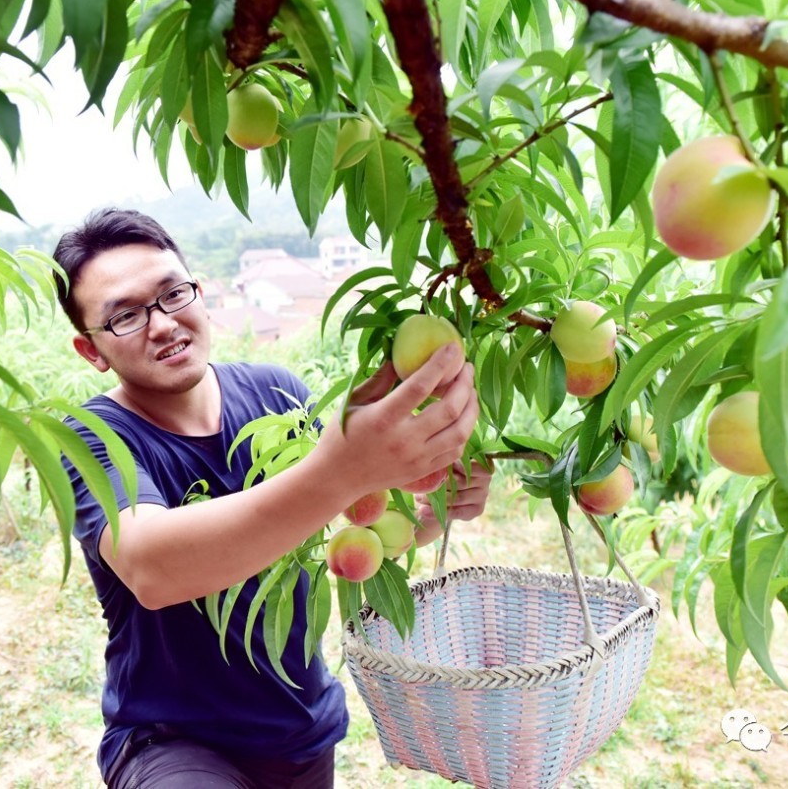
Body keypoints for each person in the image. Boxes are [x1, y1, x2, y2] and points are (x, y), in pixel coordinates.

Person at [52, 207, 491, 788]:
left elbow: (350, 538)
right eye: (126, 316)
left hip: (300, 731)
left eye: (172, 293)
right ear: (92, 350)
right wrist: (342, 469)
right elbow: (152, 566)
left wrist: (438, 509)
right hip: (173, 742)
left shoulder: (278, 391)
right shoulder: (92, 438)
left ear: (199, 294)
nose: (161, 324)